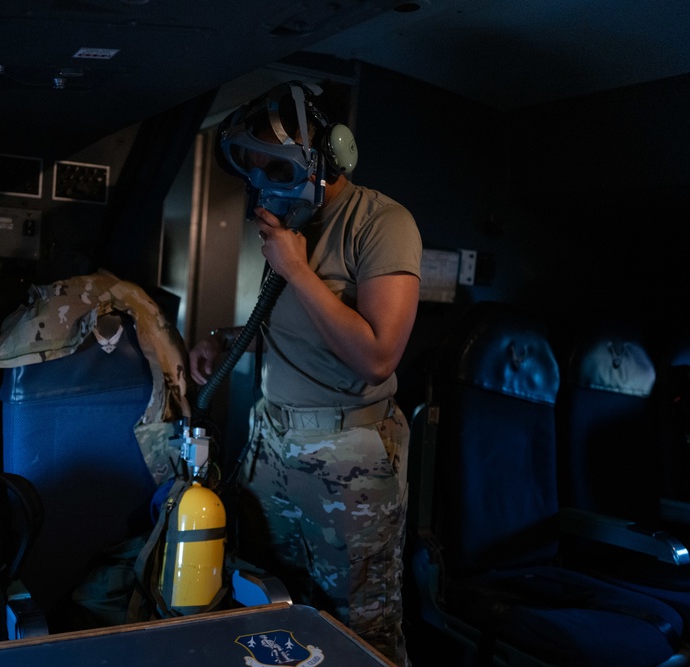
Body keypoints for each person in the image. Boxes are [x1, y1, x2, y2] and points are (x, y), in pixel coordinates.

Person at [189, 81, 421, 666]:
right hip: (273, 444)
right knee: (271, 611)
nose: (265, 180)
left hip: (349, 457)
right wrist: (225, 340)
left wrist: (296, 270)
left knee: (360, 627)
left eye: (277, 163)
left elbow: (377, 357)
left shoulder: (381, 222)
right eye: (257, 166)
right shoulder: (290, 220)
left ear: (328, 153)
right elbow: (290, 320)